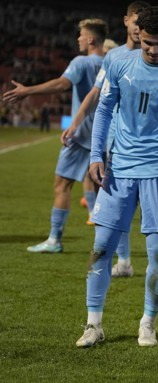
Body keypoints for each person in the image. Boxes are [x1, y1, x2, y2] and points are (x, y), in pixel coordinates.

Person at [76, 6, 158, 348]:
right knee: (101, 249)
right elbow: (103, 111)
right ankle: (93, 324)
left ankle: (148, 322)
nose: (153, 49)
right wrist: (95, 155)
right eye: (147, 42)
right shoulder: (118, 63)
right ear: (138, 36)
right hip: (119, 169)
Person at [3, 18, 107, 253]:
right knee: (105, 192)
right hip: (106, 137)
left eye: (81, 35)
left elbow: (62, 84)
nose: (78, 39)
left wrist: (27, 91)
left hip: (81, 135)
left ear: (90, 39)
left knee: (62, 185)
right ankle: (109, 247)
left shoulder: (81, 61)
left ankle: (54, 240)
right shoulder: (112, 62)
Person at [66, 1, 150, 276]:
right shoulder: (113, 59)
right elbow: (94, 94)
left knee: (152, 219)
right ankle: (124, 261)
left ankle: (156, 268)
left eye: (143, 23)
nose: (138, 28)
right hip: (116, 147)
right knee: (117, 212)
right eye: (134, 22)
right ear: (125, 21)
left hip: (152, 151)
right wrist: (76, 124)